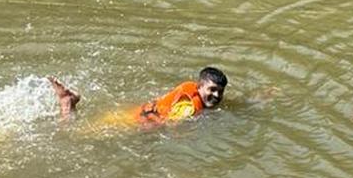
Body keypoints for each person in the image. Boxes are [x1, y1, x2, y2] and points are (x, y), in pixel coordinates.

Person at [48, 67, 228, 129]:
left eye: (220, 91)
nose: (216, 95)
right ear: (199, 86)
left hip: (136, 114)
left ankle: (68, 102)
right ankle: (68, 102)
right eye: (212, 90)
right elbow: (173, 125)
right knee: (75, 134)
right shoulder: (190, 107)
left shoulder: (190, 90)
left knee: (85, 127)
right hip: (136, 124)